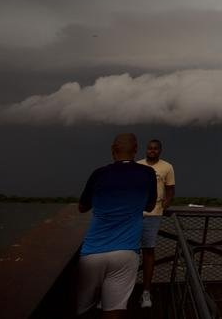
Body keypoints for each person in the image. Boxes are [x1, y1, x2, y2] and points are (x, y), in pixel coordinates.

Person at [77, 133, 157, 317]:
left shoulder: (99, 174)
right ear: (136, 150)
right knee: (114, 310)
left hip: (92, 252)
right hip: (126, 252)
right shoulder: (147, 173)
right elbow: (150, 206)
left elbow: (82, 207)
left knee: (85, 309)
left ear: (113, 150)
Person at [137, 139, 175, 309]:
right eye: (149, 148)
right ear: (146, 150)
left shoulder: (167, 167)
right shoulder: (137, 165)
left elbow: (170, 190)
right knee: (128, 252)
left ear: (160, 151)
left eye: (155, 149)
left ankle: (146, 291)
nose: (152, 151)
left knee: (148, 251)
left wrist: (164, 205)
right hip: (134, 214)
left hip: (153, 215)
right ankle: (121, 289)